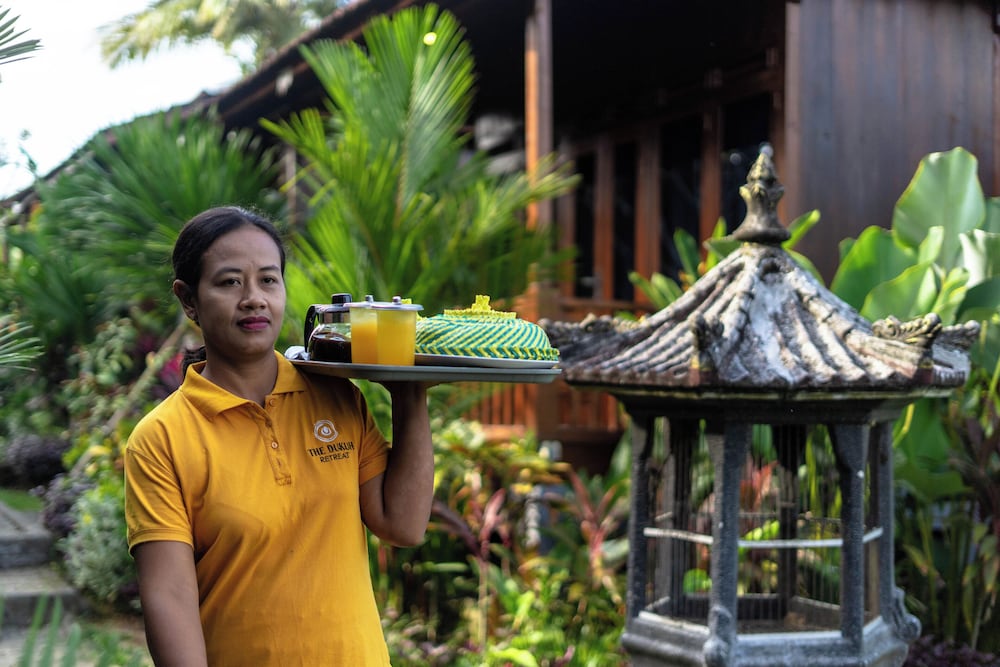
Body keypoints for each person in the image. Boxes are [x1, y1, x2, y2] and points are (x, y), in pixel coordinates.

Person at [124, 205, 435, 666]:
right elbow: (169, 597)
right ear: (188, 299)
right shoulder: (162, 439)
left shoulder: (337, 396)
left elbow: (402, 525)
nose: (254, 299)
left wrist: (412, 396)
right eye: (230, 282)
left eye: (268, 280)